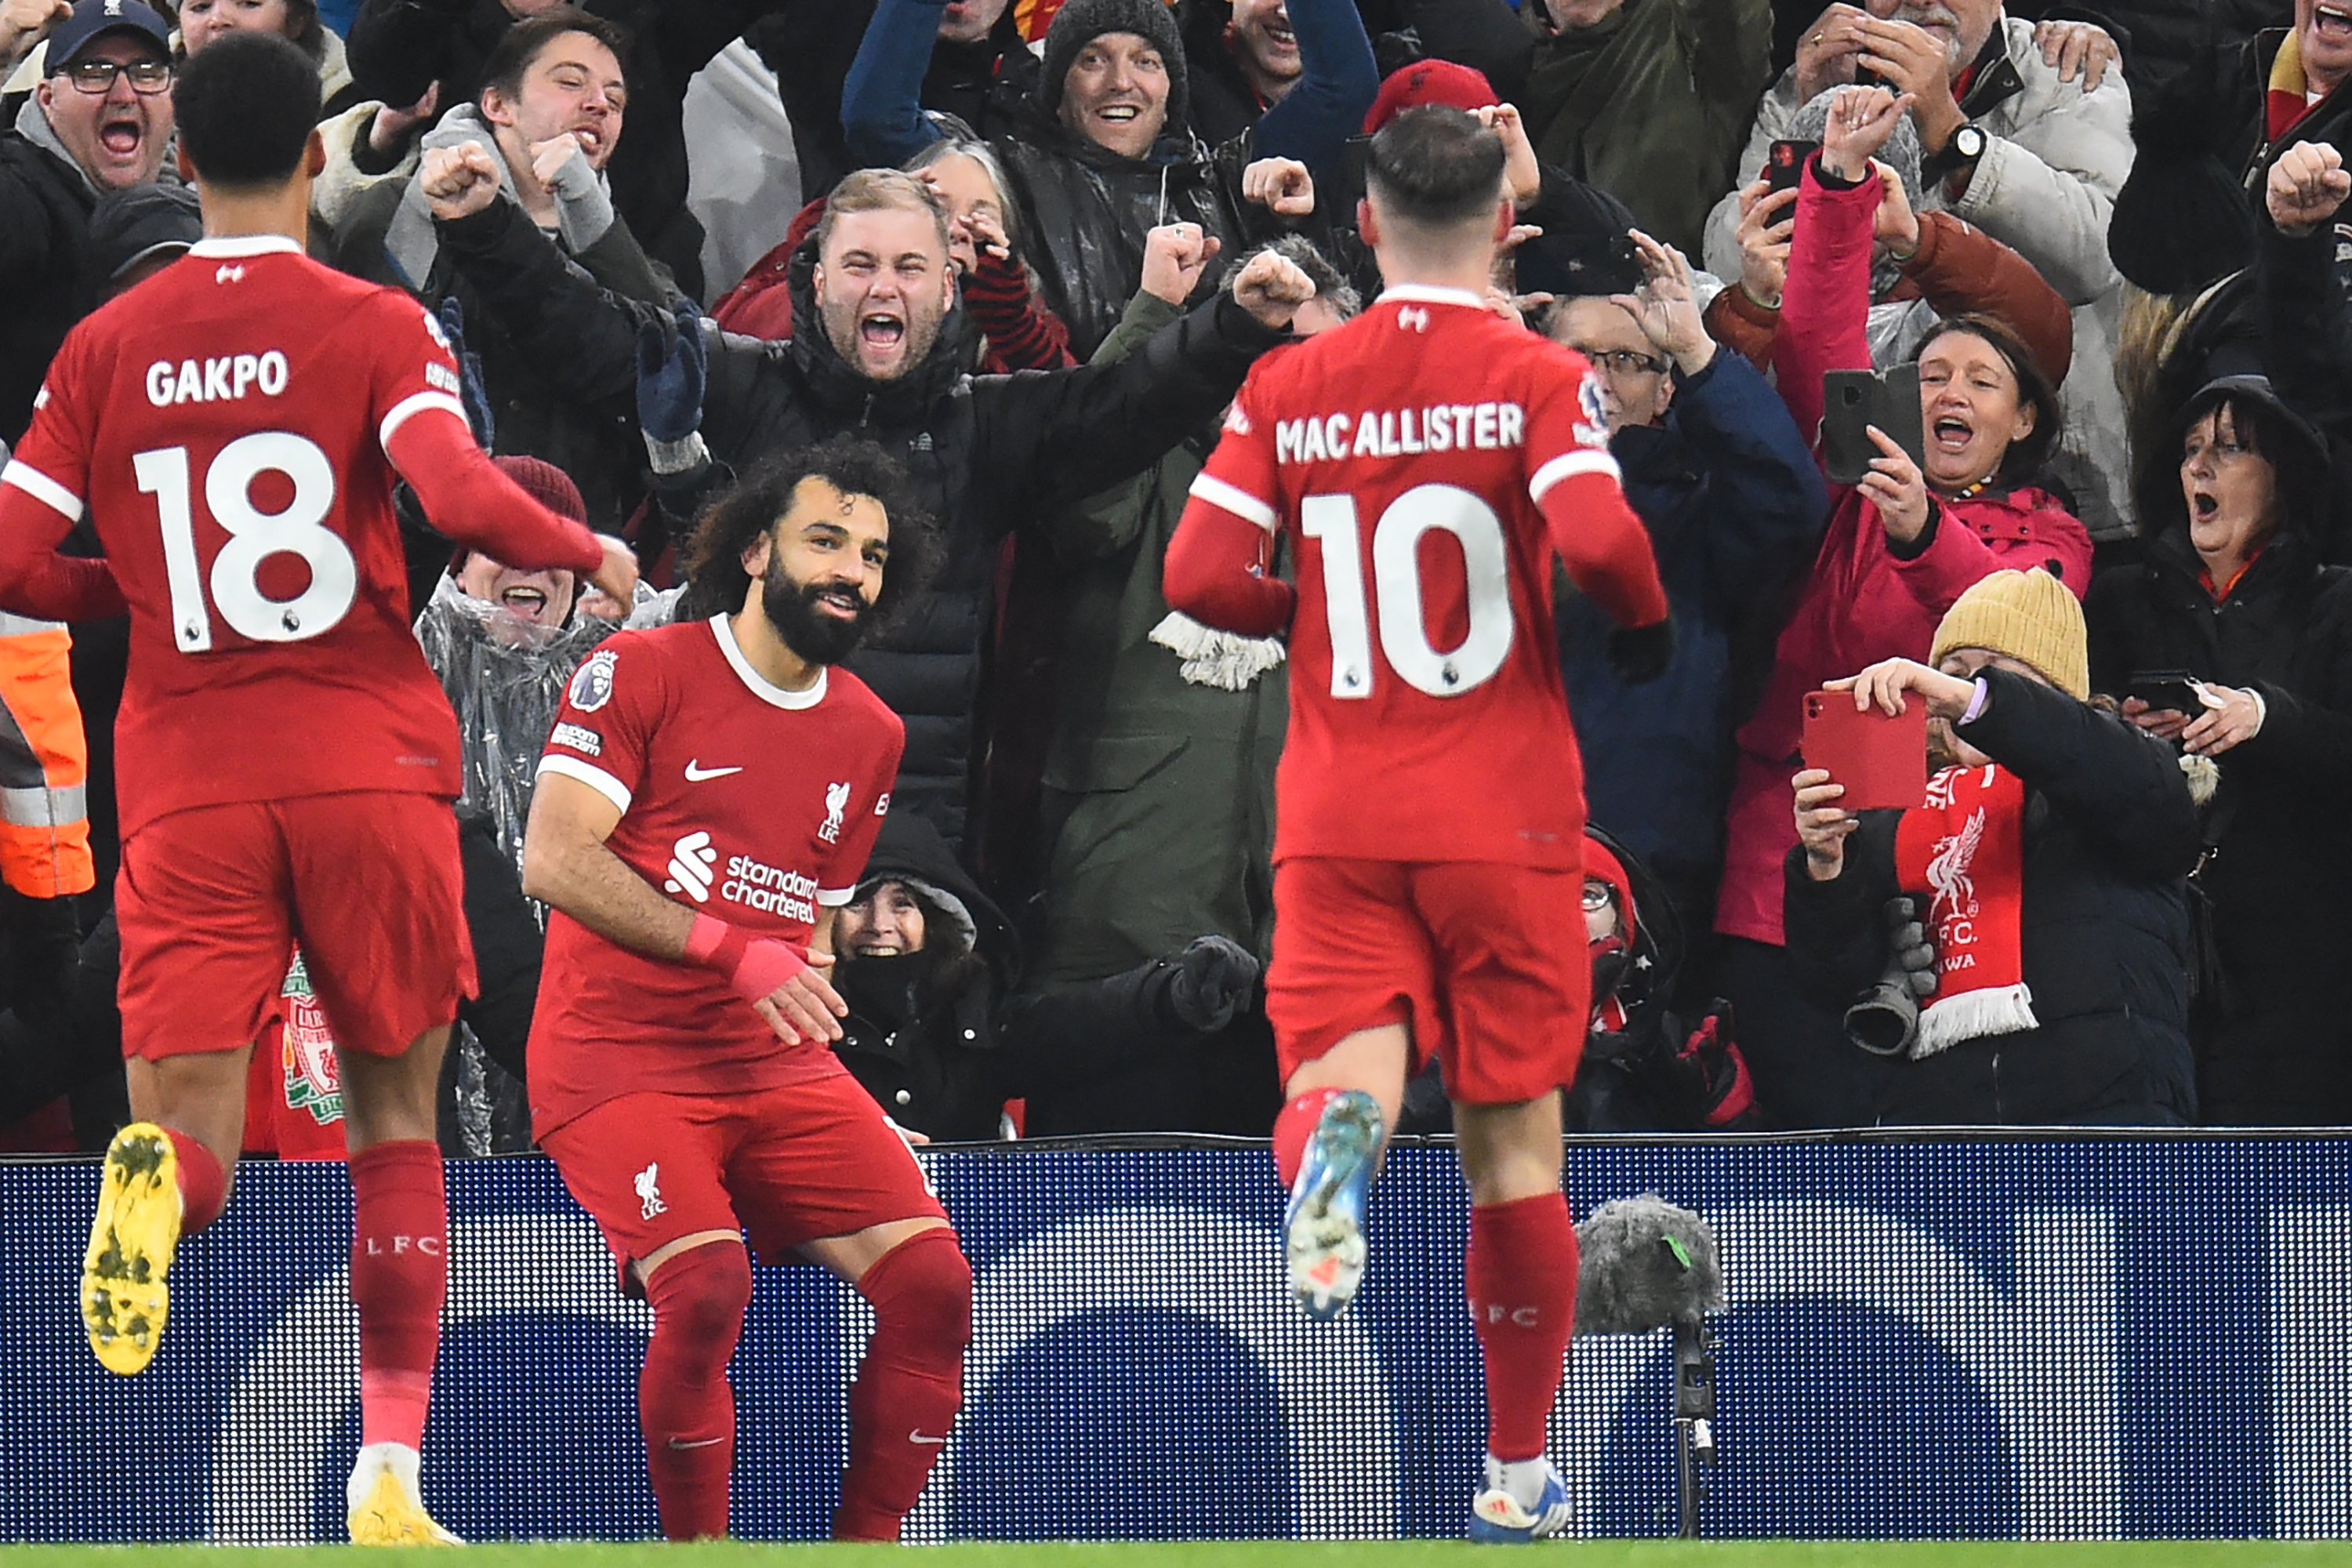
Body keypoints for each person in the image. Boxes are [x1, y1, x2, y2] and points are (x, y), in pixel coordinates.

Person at [0, 33, 634, 1541]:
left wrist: (143, 594)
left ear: (177, 153)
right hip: (363, 766)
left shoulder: (106, 346)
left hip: (187, 778)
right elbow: (463, 493)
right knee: (396, 1126)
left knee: (192, 1130)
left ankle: (159, 1181)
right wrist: (584, 549)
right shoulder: (370, 317)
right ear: (310, 156)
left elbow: (17, 559)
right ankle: (390, 1477)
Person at [1163, 105, 1671, 1540]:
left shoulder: (1292, 386)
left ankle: (1333, 1157)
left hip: (1338, 805)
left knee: (1346, 1069)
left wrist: (1304, 615)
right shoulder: (1534, 373)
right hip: (1502, 814)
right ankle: (1517, 1479)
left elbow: (1200, 571)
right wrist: (1637, 624)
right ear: (1504, 229)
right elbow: (1599, 539)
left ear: (1367, 227)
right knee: (1515, 1150)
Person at [423, 159, 1316, 850]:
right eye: (858, 264)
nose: (883, 286)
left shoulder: (987, 426)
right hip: (722, 817)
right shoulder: (740, 383)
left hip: (907, 850)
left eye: (907, 267)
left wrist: (1231, 324)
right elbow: (590, 333)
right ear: (815, 281)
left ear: (946, 287)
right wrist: (486, 227)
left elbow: (1123, 404)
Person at [521, 438, 967, 1543]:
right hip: (615, 1055)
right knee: (710, 1285)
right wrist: (733, 950)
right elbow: (554, 861)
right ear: (758, 548)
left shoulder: (872, 731)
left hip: (770, 1067)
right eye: (826, 540)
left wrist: (804, 979)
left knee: (936, 1289)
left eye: (872, 555)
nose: (851, 572)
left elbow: (811, 914)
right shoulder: (642, 669)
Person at [1713, 86, 2092, 1131]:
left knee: (1925, 1171)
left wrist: (1924, 529)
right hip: (1786, 864)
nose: (1948, 394)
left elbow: (2012, 638)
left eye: (1979, 378)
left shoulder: (2049, 534)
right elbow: (1817, 347)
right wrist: (1835, 187)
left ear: (2022, 418)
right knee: (1788, 1159)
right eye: (1928, 376)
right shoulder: (1854, 493)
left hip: (1951, 891)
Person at [1788, 568, 2201, 1124]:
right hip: (1941, 1129)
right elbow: (1834, 986)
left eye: (1991, 675)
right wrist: (1827, 866)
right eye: (1951, 672)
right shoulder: (1896, 811)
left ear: (2055, 692)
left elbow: (2132, 789)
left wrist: (1978, 703)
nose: (1958, 692)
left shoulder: (2118, 767)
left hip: (2103, 1113)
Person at [1708, 2, 2134, 537]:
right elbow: (1725, 261)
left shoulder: (2063, 69)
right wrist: (1807, 122)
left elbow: (2097, 256)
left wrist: (1953, 133)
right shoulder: (1823, 75)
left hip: (2057, 488)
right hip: (1849, 493)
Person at [2087, 365, 2352, 1123]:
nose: (2199, 465)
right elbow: (2072, 743)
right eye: (2192, 448)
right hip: (2148, 951)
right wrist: (2119, 727)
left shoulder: (2336, 603)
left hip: (2298, 961)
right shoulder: (2120, 599)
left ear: (2284, 480)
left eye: (2231, 450)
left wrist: (2263, 717)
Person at [1545, 228, 1828, 938]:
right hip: (1474, 845)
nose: (1598, 379)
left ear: (1665, 389)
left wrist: (1701, 353)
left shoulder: (1698, 511)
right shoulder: (1470, 481)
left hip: (1641, 860)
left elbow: (1788, 505)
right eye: (1575, 356)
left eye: (1627, 360)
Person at [330, 9, 688, 537]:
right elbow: (355, 375)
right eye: (570, 82)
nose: (598, 105)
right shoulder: (393, 212)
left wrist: (587, 207)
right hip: (413, 532)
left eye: (615, 101)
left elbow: (657, 372)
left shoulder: (634, 257)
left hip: (567, 558)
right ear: (497, 105)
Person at [0, 0, 176, 444]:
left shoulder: (201, 201)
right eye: (93, 71)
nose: (123, 93)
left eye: (146, 71)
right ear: (47, 99)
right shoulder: (20, 191)